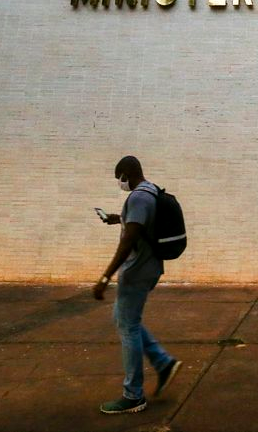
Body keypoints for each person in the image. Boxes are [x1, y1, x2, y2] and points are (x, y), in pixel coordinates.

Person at [93, 155, 182, 414]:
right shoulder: (151, 190)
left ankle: (133, 395)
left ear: (126, 174)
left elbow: (130, 239)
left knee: (128, 326)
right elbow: (139, 224)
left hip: (137, 271)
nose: (119, 183)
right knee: (124, 318)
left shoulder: (139, 197)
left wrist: (104, 277)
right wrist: (116, 218)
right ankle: (163, 362)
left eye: (119, 179)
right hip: (149, 267)